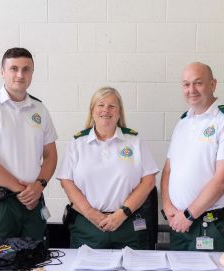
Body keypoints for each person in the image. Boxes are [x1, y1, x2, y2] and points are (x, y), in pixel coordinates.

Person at [0, 47, 58, 240]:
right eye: (13, 68)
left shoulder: (39, 109)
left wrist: (40, 185)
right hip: (0, 202)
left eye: (26, 69)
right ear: (2, 72)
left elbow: (51, 155)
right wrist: (22, 190)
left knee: (36, 262)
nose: (20, 74)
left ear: (32, 73)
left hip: (33, 201)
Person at [57, 87, 158, 249]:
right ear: (92, 110)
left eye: (112, 106)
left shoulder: (134, 141)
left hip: (128, 224)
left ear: (119, 112)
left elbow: (148, 182)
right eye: (100, 105)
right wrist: (91, 214)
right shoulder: (77, 143)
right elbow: (66, 181)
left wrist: (122, 213)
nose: (106, 110)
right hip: (87, 225)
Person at [161, 62, 224, 251]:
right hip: (178, 223)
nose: (191, 90)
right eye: (186, 84)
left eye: (198, 83)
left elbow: (223, 179)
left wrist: (189, 216)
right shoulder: (183, 122)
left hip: (209, 226)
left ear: (213, 84)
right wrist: (168, 209)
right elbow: (168, 170)